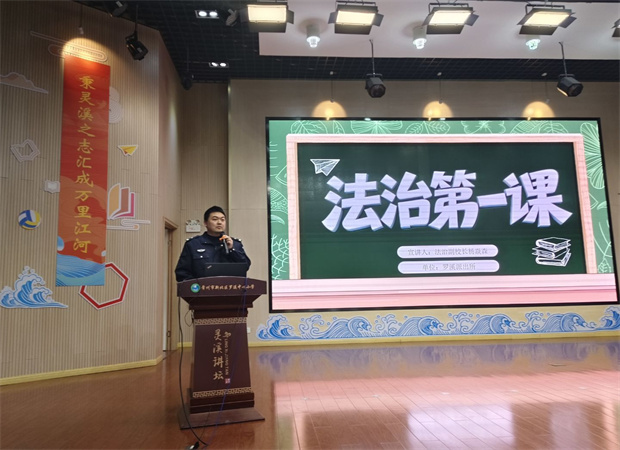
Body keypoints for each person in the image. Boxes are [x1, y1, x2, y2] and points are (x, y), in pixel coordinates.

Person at [175, 206, 251, 282]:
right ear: (205, 223)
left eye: (222, 219)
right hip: (202, 288)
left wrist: (232, 250)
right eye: (215, 219)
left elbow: (245, 267)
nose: (219, 222)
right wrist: (197, 286)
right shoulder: (193, 244)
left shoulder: (235, 244)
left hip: (230, 287)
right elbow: (182, 272)